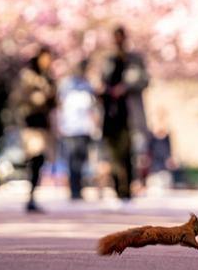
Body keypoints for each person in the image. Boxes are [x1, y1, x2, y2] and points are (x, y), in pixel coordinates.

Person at [100, 26, 149, 201]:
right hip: (111, 114)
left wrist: (125, 87)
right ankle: (117, 188)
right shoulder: (108, 60)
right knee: (113, 152)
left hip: (129, 114)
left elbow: (144, 80)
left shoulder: (135, 60)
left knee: (128, 151)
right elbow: (103, 81)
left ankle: (127, 189)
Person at [9, 47, 57, 212]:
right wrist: (38, 97)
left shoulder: (49, 77)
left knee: (40, 160)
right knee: (34, 158)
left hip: (44, 124)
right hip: (31, 123)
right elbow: (19, 98)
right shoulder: (28, 76)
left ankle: (33, 195)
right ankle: (30, 196)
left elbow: (54, 99)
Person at [57, 59, 98, 200]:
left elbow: (93, 108)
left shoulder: (88, 85)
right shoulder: (66, 85)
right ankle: (74, 189)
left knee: (81, 159)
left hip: (84, 128)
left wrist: (94, 125)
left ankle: (79, 188)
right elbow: (60, 106)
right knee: (72, 159)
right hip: (70, 128)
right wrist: (59, 124)